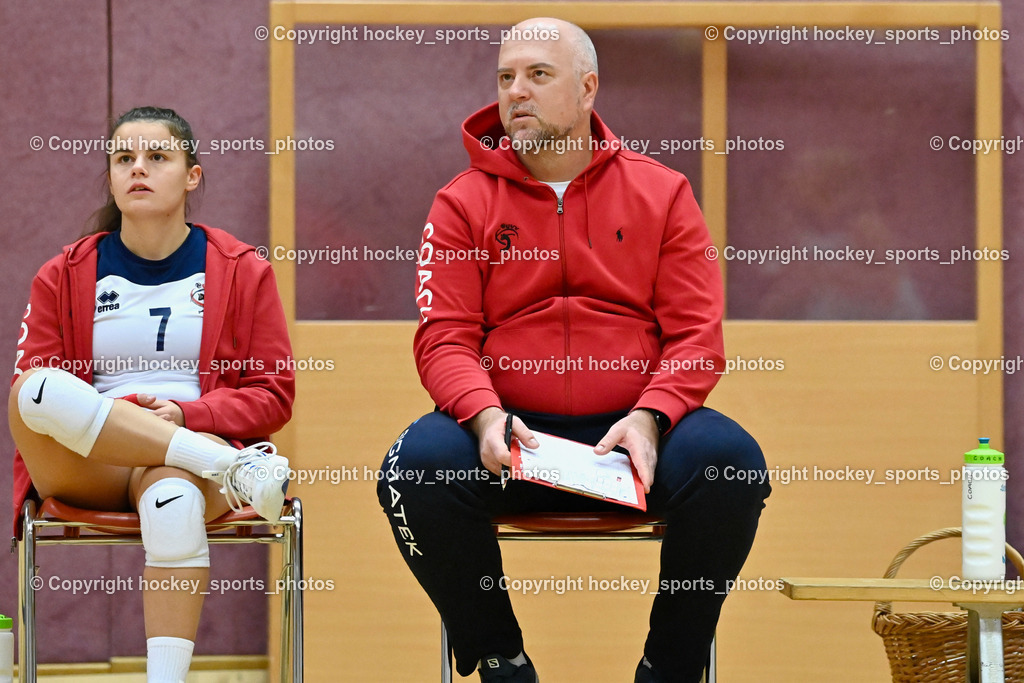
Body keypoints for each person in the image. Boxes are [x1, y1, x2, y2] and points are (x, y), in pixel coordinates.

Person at [378, 18, 771, 683]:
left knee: (731, 464)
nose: (515, 93)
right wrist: (483, 417)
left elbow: (696, 337)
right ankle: (503, 659)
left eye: (538, 75)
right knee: (413, 468)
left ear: (588, 88)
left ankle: (669, 666)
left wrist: (651, 417)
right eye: (505, 78)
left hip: (633, 434)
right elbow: (444, 337)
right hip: (510, 434)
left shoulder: (663, 191)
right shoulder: (460, 202)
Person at [9, 106, 294, 683]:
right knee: (33, 390)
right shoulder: (63, 274)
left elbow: (274, 394)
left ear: (192, 175)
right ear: (111, 178)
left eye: (157, 157)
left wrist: (188, 414)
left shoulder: (242, 271)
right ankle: (230, 466)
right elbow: (38, 399)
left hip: (179, 463)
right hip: (91, 458)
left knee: (175, 508)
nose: (137, 169)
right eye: (123, 159)